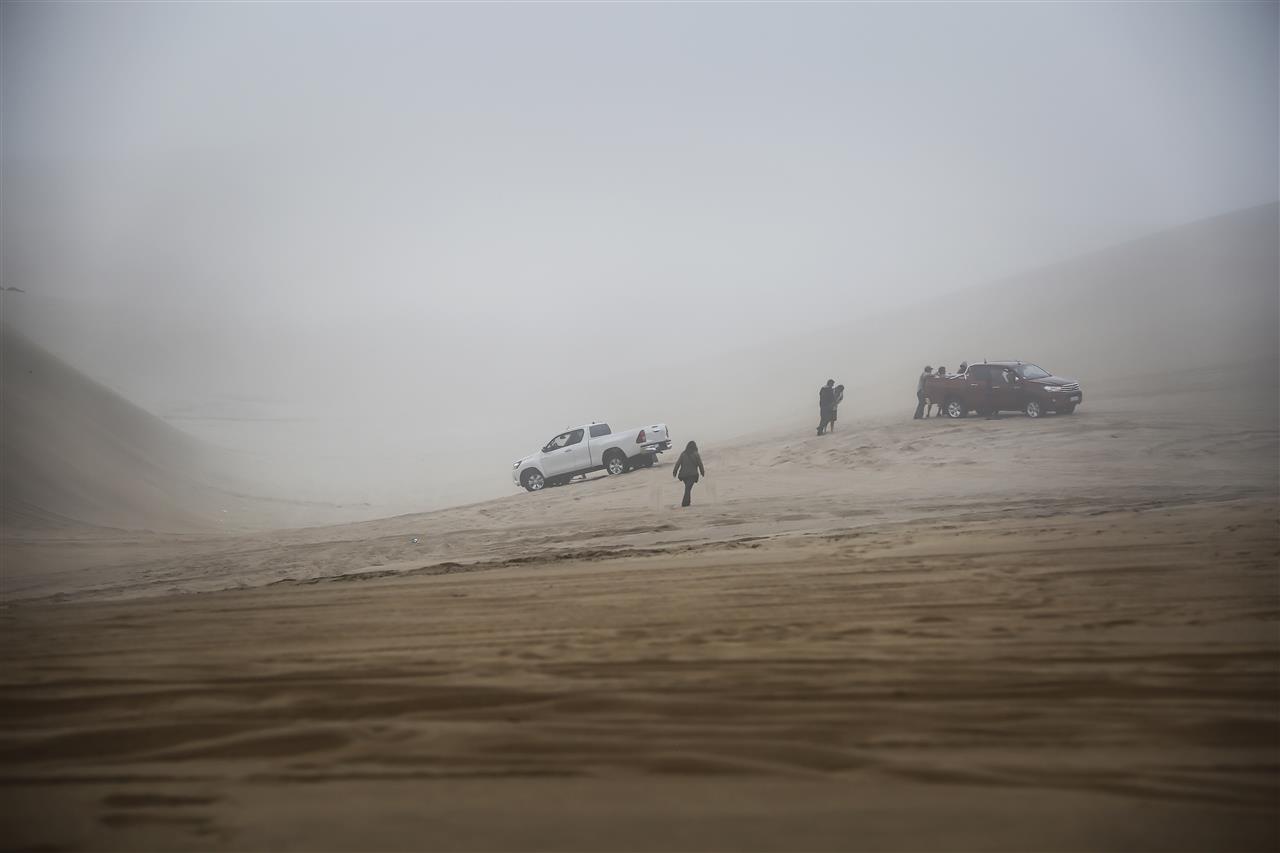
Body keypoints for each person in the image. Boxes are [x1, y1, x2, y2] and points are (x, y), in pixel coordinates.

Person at [672, 440, 706, 507]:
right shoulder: (696, 454)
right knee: (688, 488)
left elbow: (678, 463)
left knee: (688, 488)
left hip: (684, 475)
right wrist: (702, 472)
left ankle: (687, 502)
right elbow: (700, 464)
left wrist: (675, 471)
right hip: (692, 475)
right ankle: (684, 503)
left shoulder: (683, 454)